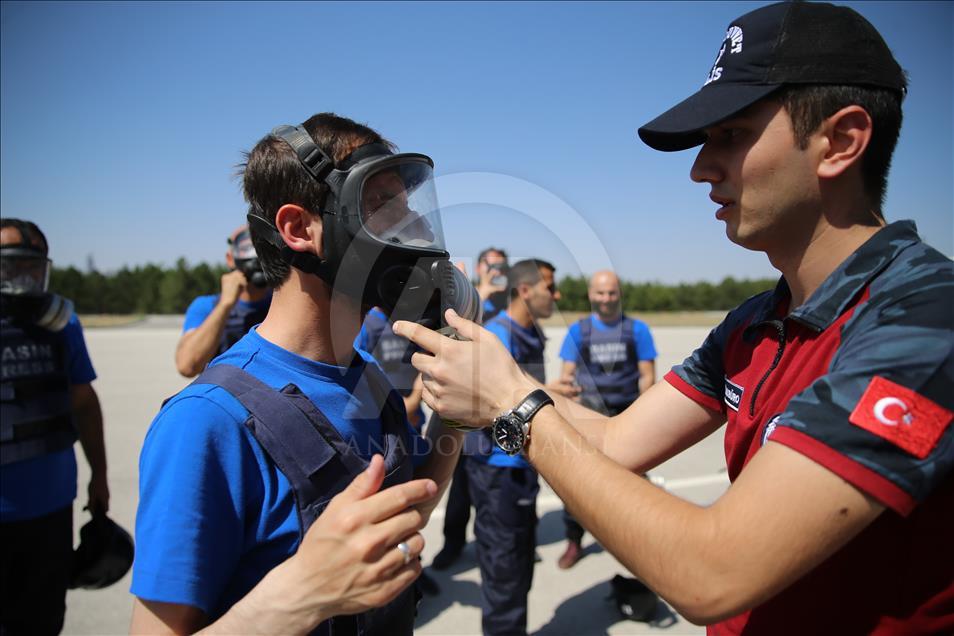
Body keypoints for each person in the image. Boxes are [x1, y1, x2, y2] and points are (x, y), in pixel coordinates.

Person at [395, 3, 954, 634]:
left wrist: (514, 409)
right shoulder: (755, 322)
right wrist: (494, 386)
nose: (699, 168)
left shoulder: (925, 321)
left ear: (842, 141)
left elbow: (712, 573)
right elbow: (616, 441)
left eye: (731, 135)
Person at [130, 113, 468, 634]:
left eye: (410, 208)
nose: (415, 230)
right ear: (298, 229)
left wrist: (455, 415)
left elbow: (403, 520)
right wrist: (301, 594)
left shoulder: (369, 380)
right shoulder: (206, 424)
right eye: (382, 206)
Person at [1, 218, 109, 635]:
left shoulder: (62, 324)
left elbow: (84, 402)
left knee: (42, 622)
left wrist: (99, 476)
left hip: (50, 509)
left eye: (32, 267)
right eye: (11, 266)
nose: (23, 278)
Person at [462, 258, 560, 636]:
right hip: (498, 473)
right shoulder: (497, 338)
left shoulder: (531, 333)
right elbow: (471, 409)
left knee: (519, 567)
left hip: (524, 469)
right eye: (549, 287)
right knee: (504, 571)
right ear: (524, 290)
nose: (556, 294)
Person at [555, 269, 657, 569]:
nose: (606, 298)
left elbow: (647, 376)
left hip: (627, 411)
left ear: (619, 294)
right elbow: (566, 375)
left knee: (636, 476)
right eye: (600, 292)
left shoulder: (636, 330)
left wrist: (642, 416)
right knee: (578, 482)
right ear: (591, 294)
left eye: (611, 292)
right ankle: (574, 539)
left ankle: (642, 538)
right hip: (589, 415)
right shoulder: (579, 331)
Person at [431, 246, 510, 571]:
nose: (497, 272)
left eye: (502, 267)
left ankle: (500, 544)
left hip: (496, 410)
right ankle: (453, 543)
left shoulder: (508, 307)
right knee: (459, 485)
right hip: (465, 408)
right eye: (491, 266)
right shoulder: (468, 297)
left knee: (495, 488)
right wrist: (481, 294)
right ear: (479, 268)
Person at [175, 224, 271, 377]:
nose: (255, 254)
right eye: (246, 247)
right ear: (230, 258)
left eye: (261, 245)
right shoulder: (206, 306)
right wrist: (225, 305)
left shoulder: (282, 305)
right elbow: (187, 366)